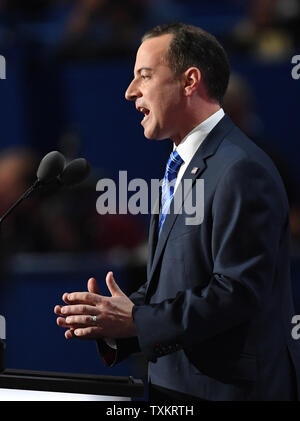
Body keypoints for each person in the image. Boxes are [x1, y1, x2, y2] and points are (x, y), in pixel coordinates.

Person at [54, 22, 300, 401]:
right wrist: (117, 315)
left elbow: (235, 292)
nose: (129, 91)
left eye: (144, 76)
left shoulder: (240, 169)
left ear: (189, 82)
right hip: (179, 386)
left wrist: (136, 321)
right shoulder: (184, 162)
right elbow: (182, 284)